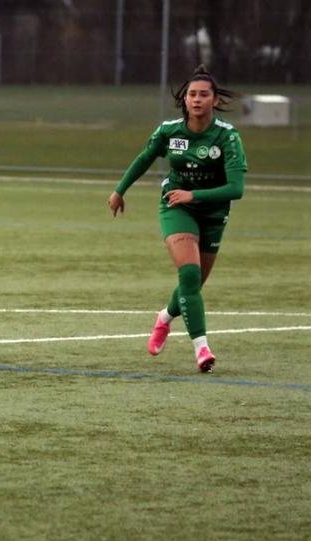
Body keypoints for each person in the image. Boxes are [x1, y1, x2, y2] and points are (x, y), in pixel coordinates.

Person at [108, 64, 246, 373]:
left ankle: (164, 318)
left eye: (203, 94)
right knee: (188, 276)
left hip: (213, 212)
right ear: (184, 100)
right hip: (175, 207)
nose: (196, 99)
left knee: (193, 284)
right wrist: (120, 190)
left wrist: (194, 195)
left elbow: (236, 189)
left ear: (214, 100)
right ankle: (202, 349)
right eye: (191, 94)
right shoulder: (169, 131)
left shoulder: (227, 137)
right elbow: (144, 158)